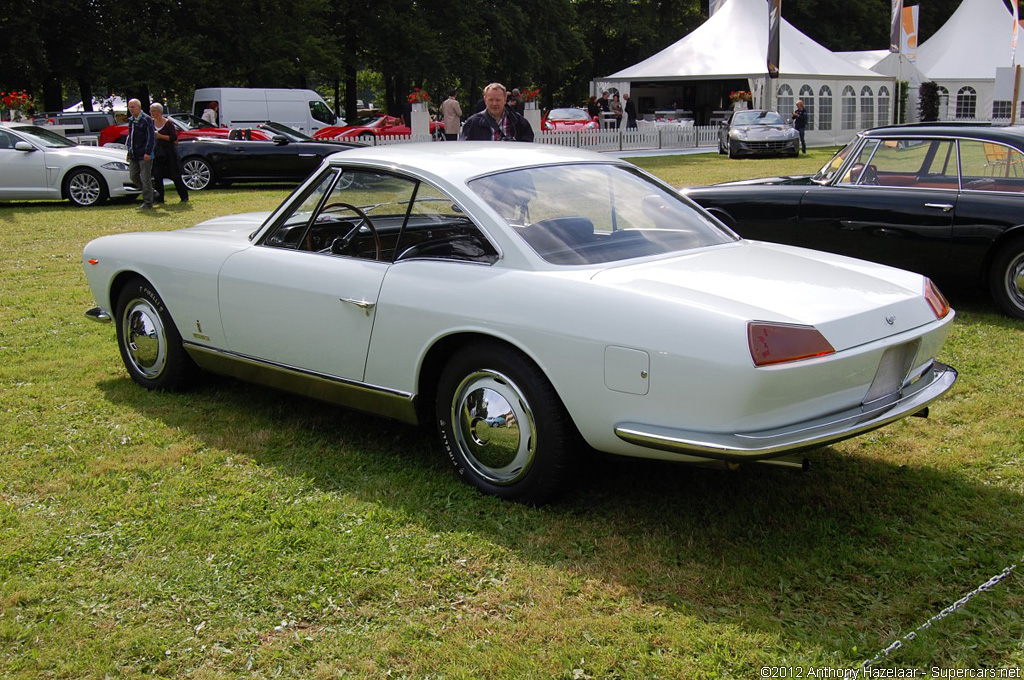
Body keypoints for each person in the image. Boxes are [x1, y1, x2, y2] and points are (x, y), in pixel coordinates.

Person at [459, 83, 534, 142]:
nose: (494, 104)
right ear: (485, 100)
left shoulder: (519, 122)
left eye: (498, 100)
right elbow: (465, 149)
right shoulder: (472, 123)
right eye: (490, 100)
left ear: (505, 100)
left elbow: (527, 147)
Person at [150, 103, 189, 203]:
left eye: (153, 111)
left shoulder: (168, 123)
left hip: (169, 153)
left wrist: (160, 136)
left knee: (175, 175)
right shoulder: (151, 123)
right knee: (157, 176)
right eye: (151, 111)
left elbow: (174, 138)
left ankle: (184, 197)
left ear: (159, 112)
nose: (151, 113)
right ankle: (159, 199)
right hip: (158, 153)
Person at [126, 98, 155, 210]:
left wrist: (148, 152)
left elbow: (151, 137)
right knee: (133, 176)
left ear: (139, 107)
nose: (131, 109)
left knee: (145, 178)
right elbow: (131, 137)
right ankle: (152, 192)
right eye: (129, 107)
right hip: (134, 154)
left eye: (133, 107)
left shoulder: (146, 119)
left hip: (144, 154)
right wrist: (129, 151)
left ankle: (148, 202)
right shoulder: (132, 120)